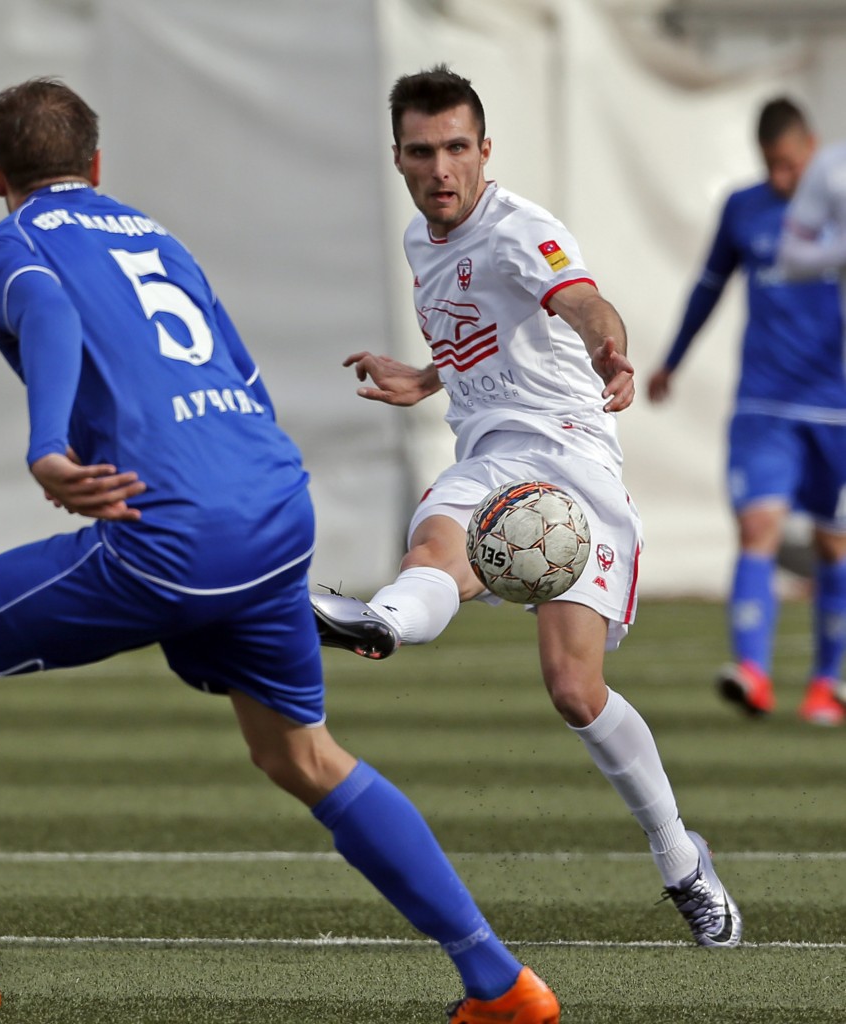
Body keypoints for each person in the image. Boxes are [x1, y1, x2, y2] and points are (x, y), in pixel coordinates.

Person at [0, 78, 567, 1024]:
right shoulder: (156, 239)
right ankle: (500, 981)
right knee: (301, 755)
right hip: (275, 511)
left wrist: (48, 445)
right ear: (96, 164)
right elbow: (238, 376)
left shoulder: (9, 245)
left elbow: (44, 308)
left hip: (172, 533)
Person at [311, 65, 742, 954]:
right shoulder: (419, 238)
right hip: (487, 457)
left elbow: (577, 301)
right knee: (432, 550)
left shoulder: (521, 229)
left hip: (572, 462)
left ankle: (680, 858)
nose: (441, 169)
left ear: (484, 150)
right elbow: (488, 328)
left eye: (456, 148)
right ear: (397, 157)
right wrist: (426, 376)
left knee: (574, 690)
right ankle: (383, 623)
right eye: (422, 152)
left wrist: (610, 349)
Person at [647, 97, 846, 726]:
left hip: (837, 409)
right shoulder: (743, 208)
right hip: (765, 403)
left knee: (834, 544)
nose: (782, 178)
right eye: (771, 166)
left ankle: (826, 685)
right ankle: (752, 672)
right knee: (758, 526)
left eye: (790, 164)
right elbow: (708, 287)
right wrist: (671, 361)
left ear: (812, 148)